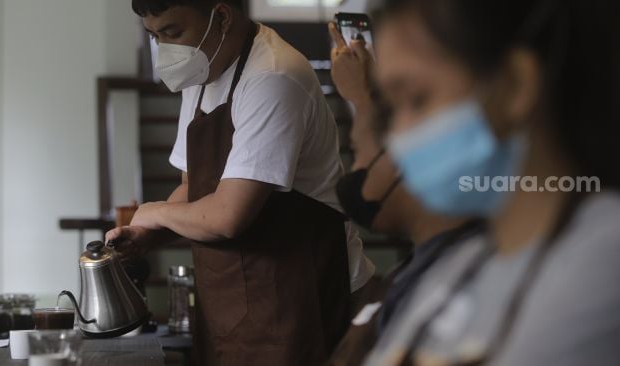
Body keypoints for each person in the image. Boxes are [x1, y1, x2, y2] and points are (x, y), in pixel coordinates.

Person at [105, 0, 375, 365]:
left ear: (221, 16)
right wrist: (148, 234)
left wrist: (152, 211)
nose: (165, 49)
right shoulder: (202, 70)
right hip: (232, 302)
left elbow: (228, 215)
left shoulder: (273, 75)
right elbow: (193, 188)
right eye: (154, 36)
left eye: (172, 32)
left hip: (302, 297)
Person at [362, 0, 620, 365]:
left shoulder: (604, 264)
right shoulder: (466, 262)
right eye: (392, 108)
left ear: (515, 86)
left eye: (417, 100)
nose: (399, 136)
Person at [327, 21, 473, 366]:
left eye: (357, 152)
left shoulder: (456, 286)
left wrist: (364, 98)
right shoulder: (417, 273)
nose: (356, 168)